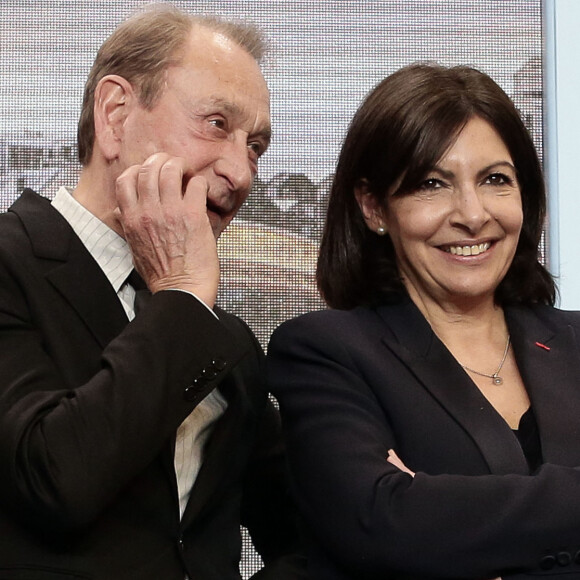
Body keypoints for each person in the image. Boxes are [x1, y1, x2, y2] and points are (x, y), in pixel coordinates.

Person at [0, 4, 305, 579]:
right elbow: (50, 479)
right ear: (115, 114)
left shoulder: (229, 342)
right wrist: (185, 294)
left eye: (256, 146)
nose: (241, 174)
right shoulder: (11, 264)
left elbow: (307, 534)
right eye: (216, 124)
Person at [268, 62, 580, 580]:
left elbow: (422, 530)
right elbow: (383, 526)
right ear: (373, 207)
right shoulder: (326, 353)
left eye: (496, 180)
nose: (473, 214)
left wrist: (448, 519)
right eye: (432, 184)